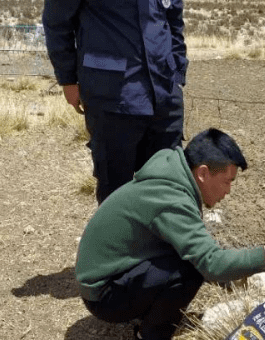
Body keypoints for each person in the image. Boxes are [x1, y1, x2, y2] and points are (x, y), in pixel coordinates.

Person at [74, 128, 265, 340]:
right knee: (191, 269)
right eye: (227, 181)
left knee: (187, 255)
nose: (228, 191)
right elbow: (212, 265)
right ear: (203, 173)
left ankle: (148, 312)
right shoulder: (171, 199)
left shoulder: (172, 175)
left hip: (107, 276)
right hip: (103, 295)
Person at [43, 0, 188, 204]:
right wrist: (68, 80)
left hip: (164, 95)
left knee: (167, 186)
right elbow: (56, 21)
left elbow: (174, 20)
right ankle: (117, 236)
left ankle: (157, 236)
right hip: (112, 97)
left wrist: (178, 76)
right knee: (115, 192)